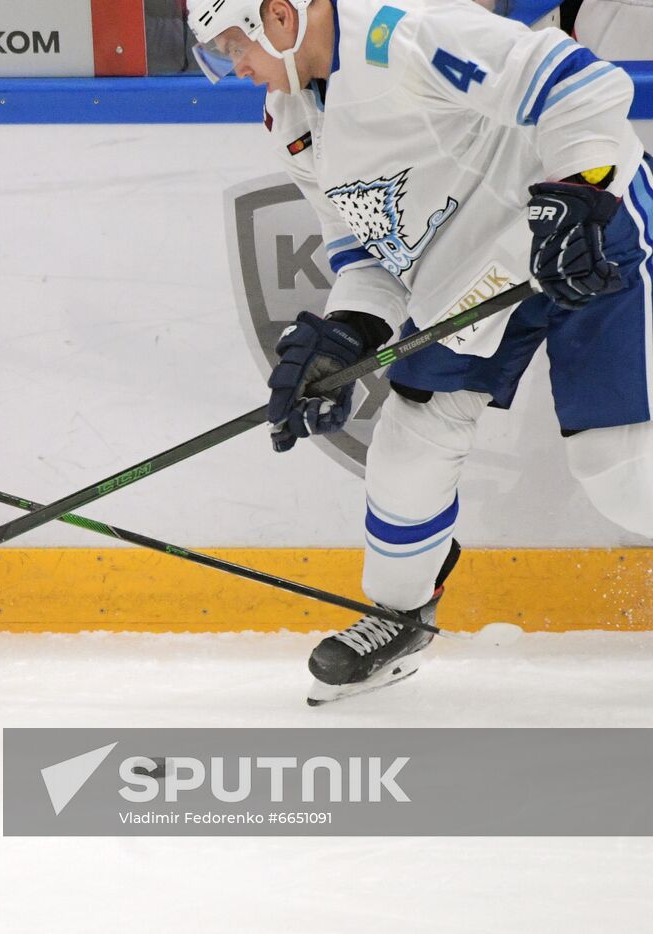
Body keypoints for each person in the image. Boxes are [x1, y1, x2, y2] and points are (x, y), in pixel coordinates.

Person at [187, 0, 651, 703]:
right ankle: (401, 617)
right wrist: (343, 335)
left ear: (275, 15)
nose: (237, 67)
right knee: (407, 453)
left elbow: (580, 83)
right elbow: (368, 257)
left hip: (585, 236)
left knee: (618, 465)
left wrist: (577, 196)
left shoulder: (396, 31)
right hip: (474, 274)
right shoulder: (290, 121)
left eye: (231, 46)